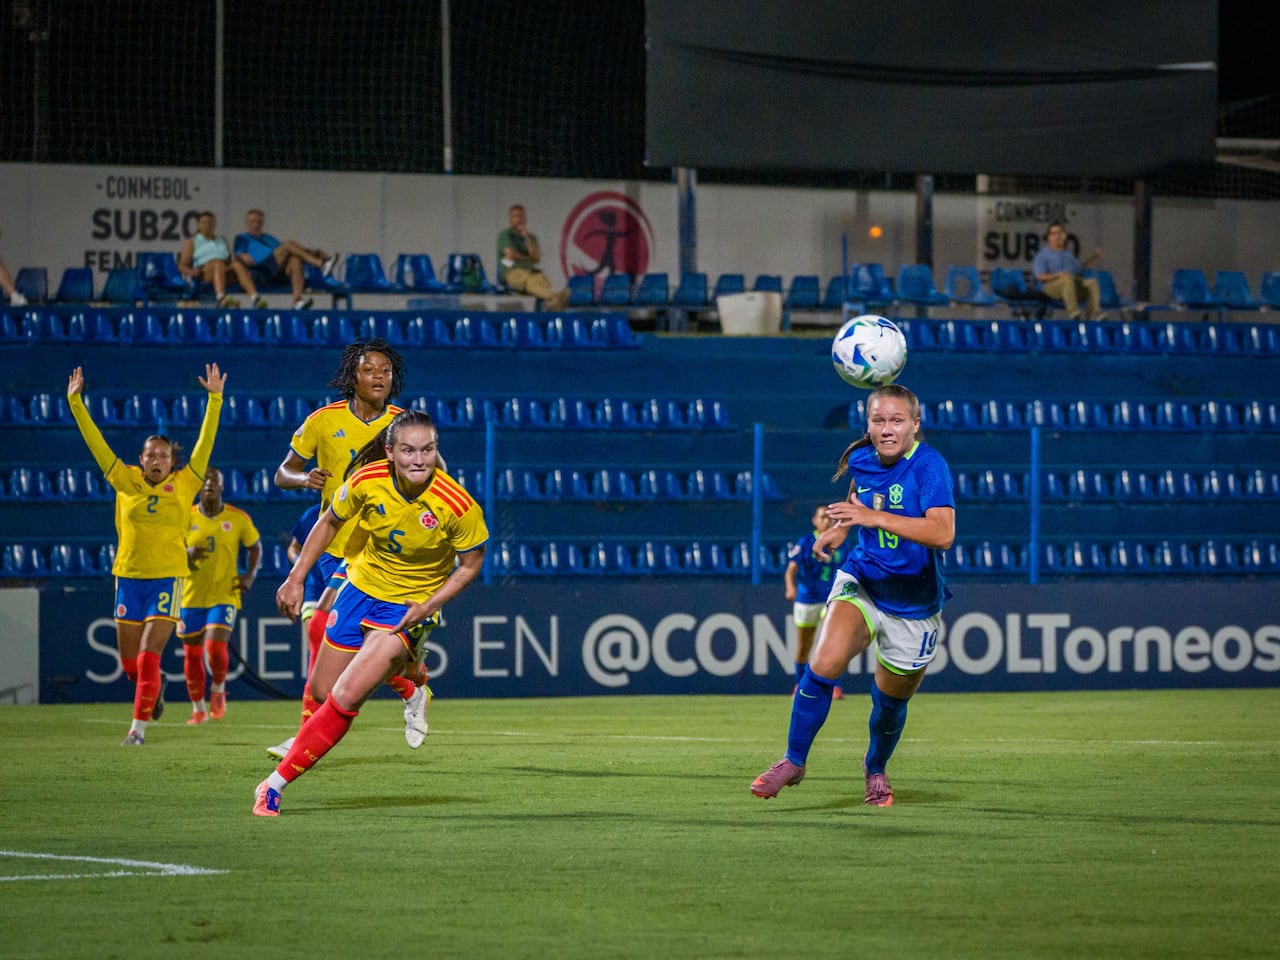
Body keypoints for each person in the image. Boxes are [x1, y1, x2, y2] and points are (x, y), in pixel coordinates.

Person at [255, 409, 487, 816]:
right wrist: (295, 577)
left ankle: (273, 786)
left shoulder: (458, 505)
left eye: (428, 449)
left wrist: (430, 606)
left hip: (409, 606)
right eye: (409, 450)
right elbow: (329, 522)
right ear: (390, 451)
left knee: (346, 694)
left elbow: (469, 565)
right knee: (325, 692)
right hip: (361, 589)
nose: (419, 459)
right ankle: (412, 687)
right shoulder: (365, 480)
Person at [751, 384, 955, 807]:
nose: (886, 429)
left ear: (915, 425)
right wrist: (842, 527)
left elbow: (943, 533)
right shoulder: (862, 458)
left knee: (889, 703)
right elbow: (859, 496)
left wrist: (872, 516)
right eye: (878, 420)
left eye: (897, 421)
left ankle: (875, 767)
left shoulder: (930, 467)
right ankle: (793, 760)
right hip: (863, 578)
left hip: (914, 602)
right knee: (823, 663)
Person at [265, 337, 433, 759]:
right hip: (329, 545)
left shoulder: (401, 425)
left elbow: (433, 472)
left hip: (377, 550)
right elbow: (283, 472)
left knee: (320, 626)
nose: (379, 376)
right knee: (359, 643)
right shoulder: (323, 421)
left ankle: (302, 737)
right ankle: (410, 688)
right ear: (352, 377)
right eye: (370, 370)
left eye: (386, 371)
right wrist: (305, 480)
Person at [66, 362, 227, 745]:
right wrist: (76, 404)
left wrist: (215, 398)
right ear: (141, 459)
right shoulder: (124, 479)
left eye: (164, 456)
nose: (157, 461)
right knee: (129, 664)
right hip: (128, 577)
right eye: (151, 455)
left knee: (148, 655)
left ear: (173, 462)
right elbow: (96, 444)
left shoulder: (186, 482)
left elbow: (206, 441)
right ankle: (152, 691)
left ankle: (136, 731)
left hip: (167, 578)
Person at [177, 467, 262, 724]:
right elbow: (168, 549)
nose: (210, 485)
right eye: (205, 482)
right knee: (192, 654)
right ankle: (198, 709)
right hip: (190, 595)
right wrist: (186, 553)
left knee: (214, 646)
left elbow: (255, 547)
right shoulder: (184, 516)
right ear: (199, 488)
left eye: (215, 481)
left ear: (222, 487)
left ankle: (218, 689)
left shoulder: (238, 518)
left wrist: (249, 576)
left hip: (224, 593)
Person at [784, 505, 846, 699]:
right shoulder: (805, 542)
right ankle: (800, 684)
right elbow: (791, 570)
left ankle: (833, 687)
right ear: (815, 521)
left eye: (829, 517)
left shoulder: (840, 541)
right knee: (804, 646)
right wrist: (791, 587)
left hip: (830, 598)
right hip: (807, 597)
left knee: (832, 644)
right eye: (822, 517)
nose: (826, 520)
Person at [232, 208, 339, 312]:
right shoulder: (242, 238)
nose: (256, 224)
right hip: (261, 269)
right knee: (288, 245)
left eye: (259, 222)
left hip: (277, 270)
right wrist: (242, 257)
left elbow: (291, 250)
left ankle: (297, 301)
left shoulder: (268, 238)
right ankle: (321, 264)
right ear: (247, 223)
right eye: (253, 221)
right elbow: (239, 255)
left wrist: (316, 252)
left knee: (295, 259)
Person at [178, 211, 267, 309]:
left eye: (211, 223)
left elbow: (228, 260)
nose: (208, 225)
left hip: (223, 270)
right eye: (204, 223)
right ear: (198, 225)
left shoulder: (222, 239)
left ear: (215, 225)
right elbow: (182, 265)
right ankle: (221, 298)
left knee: (237, 265)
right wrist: (192, 272)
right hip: (205, 272)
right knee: (218, 263)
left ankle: (255, 298)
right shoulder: (192, 241)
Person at [497, 204, 570, 310]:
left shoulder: (531, 238)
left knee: (542, 281)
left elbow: (537, 258)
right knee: (529, 282)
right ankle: (555, 296)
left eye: (521, 216)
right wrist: (528, 258)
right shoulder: (504, 235)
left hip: (532, 271)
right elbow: (510, 255)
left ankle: (553, 303)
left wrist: (526, 237)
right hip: (512, 271)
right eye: (515, 216)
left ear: (525, 218)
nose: (519, 219)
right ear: (510, 219)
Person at [1032, 221, 1106, 320]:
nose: (1057, 236)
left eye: (1060, 233)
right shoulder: (1043, 255)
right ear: (1049, 238)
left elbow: (1080, 268)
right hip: (1050, 287)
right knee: (1067, 278)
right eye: (1054, 234)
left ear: (1064, 236)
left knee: (1092, 283)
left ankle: (1093, 315)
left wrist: (1094, 257)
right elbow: (1040, 277)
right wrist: (1058, 275)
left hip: (1070, 285)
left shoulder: (1068, 255)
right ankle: (1074, 314)